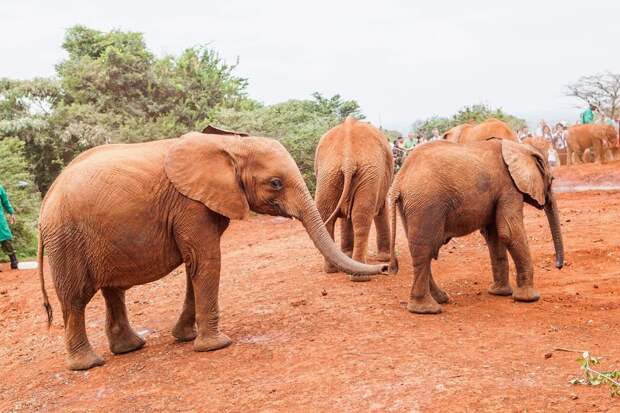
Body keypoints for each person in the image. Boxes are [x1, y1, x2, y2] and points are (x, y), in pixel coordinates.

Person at [0, 185, 18, 270]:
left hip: (0, 219)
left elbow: (5, 201)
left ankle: (13, 260)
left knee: (6, 238)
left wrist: (11, 213)